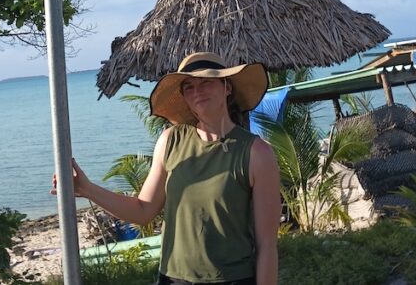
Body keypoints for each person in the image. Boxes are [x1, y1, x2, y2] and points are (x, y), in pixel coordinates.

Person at [53, 51, 281, 285]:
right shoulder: (170, 141)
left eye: (206, 81)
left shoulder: (256, 153)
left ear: (227, 87)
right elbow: (142, 211)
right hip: (173, 279)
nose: (197, 91)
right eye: (189, 86)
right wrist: (87, 188)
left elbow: (267, 245)